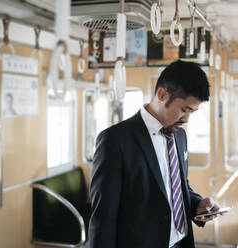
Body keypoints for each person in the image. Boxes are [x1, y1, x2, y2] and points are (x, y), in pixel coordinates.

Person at [89, 60, 220, 248]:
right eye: (184, 110)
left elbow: (175, 186)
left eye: (192, 112)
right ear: (162, 95)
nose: (187, 119)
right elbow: (104, 217)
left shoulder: (180, 136)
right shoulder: (115, 140)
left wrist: (197, 204)